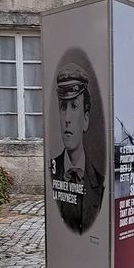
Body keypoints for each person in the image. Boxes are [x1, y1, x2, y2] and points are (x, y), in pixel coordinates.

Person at [51, 62, 104, 234]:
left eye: (74, 106)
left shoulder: (99, 182)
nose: (67, 118)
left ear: (86, 119)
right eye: (63, 107)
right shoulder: (50, 173)